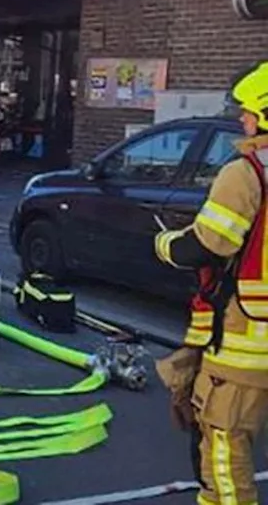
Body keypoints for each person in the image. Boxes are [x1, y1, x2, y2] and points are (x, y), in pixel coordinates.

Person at [154, 61, 268, 505]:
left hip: (245, 340)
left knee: (222, 448)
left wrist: (165, 243)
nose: (242, 119)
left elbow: (207, 247)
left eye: (249, 111)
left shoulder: (246, 172)